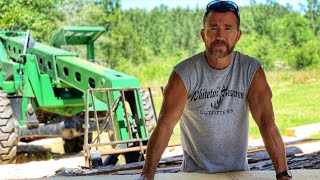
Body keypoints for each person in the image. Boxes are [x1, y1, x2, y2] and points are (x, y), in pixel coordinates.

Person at [138, 0, 292, 179]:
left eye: (228, 28)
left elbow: (267, 123)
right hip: (195, 175)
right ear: (203, 35)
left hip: (238, 174)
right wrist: (146, 176)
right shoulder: (184, 73)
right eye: (213, 28)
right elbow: (165, 125)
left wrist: (282, 174)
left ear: (237, 35)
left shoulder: (251, 71)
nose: (220, 35)